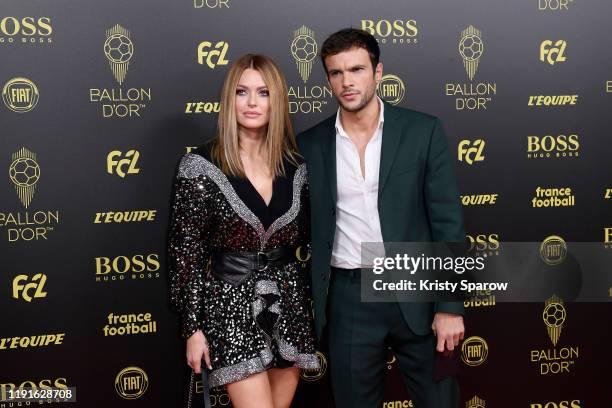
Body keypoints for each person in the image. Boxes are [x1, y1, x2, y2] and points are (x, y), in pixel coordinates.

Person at [296, 28, 466, 407]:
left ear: (378, 72)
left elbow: (448, 224)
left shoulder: (422, 131)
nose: (347, 81)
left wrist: (450, 305)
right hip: (349, 293)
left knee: (441, 402)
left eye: (356, 69)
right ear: (328, 80)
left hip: (417, 287)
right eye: (336, 73)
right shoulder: (309, 145)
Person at [167, 54, 319, 408]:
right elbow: (185, 252)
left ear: (277, 100)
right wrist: (192, 328)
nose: (252, 103)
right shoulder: (200, 166)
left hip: (290, 307)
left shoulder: (297, 168)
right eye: (242, 92)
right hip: (228, 307)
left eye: (263, 92)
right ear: (228, 99)